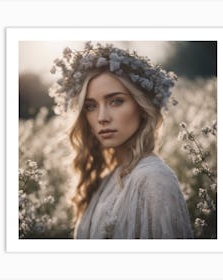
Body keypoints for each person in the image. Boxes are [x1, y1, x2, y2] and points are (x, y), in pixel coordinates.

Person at [49, 42, 193, 239]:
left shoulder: (155, 180)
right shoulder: (106, 180)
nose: (102, 117)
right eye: (91, 106)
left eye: (115, 101)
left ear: (142, 107)